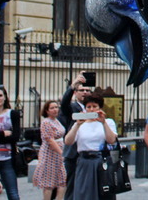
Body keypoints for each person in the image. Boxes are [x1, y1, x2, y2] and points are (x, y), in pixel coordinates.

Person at [63, 94, 118, 200]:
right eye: (88, 107)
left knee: (103, 193)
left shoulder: (108, 122)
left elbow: (111, 140)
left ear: (100, 108)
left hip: (101, 161)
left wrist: (103, 123)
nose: (91, 109)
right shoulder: (80, 124)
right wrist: (77, 125)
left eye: (94, 106)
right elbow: (68, 141)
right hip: (84, 161)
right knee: (84, 192)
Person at [59, 72, 91, 200]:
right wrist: (73, 86)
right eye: (81, 90)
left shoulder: (93, 109)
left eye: (87, 90)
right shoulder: (72, 108)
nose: (85, 92)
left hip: (89, 152)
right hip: (73, 153)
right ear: (76, 93)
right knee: (71, 187)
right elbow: (64, 103)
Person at [33, 100, 67, 200]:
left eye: (56, 107)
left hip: (59, 153)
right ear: (47, 111)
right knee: (49, 182)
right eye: (52, 108)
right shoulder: (46, 122)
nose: (55, 110)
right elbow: (50, 140)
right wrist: (61, 153)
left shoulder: (57, 121)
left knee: (62, 180)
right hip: (50, 154)